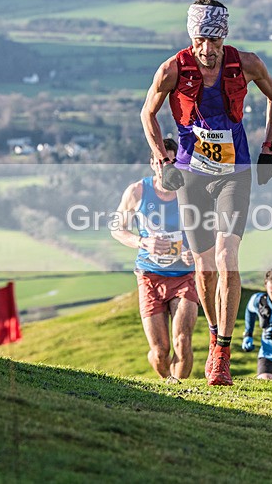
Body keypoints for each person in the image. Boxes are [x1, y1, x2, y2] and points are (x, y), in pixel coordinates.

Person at [140, 0, 272, 386]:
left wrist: (268, 148)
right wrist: (162, 159)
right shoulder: (173, 68)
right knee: (203, 268)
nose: (208, 48)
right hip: (191, 175)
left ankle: (221, 349)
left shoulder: (246, 63)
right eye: (201, 39)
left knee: (226, 256)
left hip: (234, 173)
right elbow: (147, 113)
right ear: (192, 36)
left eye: (215, 40)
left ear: (225, 36)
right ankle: (215, 328)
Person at [110, 138, 199, 382]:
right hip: (150, 276)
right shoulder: (137, 191)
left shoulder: (189, 191)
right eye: (162, 161)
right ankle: (167, 383)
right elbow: (117, 229)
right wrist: (142, 242)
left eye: (172, 161)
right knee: (160, 352)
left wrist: (195, 251)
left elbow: (207, 231)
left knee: (182, 342)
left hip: (184, 276)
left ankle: (181, 396)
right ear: (152, 163)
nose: (167, 165)